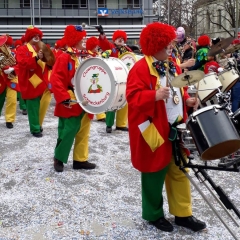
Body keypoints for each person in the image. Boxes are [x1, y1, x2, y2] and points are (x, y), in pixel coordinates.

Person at [126, 22, 206, 233]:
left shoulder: (174, 65)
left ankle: (183, 214)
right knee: (154, 173)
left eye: (170, 45)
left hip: (176, 128)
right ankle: (154, 215)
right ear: (154, 46)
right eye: (166, 46)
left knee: (180, 170)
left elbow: (181, 91)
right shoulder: (140, 68)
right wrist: (154, 95)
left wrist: (187, 100)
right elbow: (132, 98)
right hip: (153, 129)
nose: (170, 48)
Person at [50, 25, 96, 172]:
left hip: (86, 99)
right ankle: (59, 157)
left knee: (84, 130)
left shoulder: (88, 56)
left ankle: (80, 160)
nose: (85, 39)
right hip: (71, 99)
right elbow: (56, 79)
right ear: (74, 39)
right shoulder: (64, 57)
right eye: (82, 37)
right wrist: (63, 97)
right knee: (68, 130)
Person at [96, 26, 129, 133]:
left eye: (122, 38)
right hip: (114, 78)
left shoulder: (128, 50)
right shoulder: (111, 48)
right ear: (114, 40)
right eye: (119, 38)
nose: (121, 40)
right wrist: (102, 34)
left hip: (125, 78)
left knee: (124, 101)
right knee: (112, 102)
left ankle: (121, 124)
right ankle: (109, 124)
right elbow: (104, 43)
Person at [16, 25, 47, 137]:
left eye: (38, 35)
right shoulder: (22, 49)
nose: (37, 37)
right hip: (30, 80)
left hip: (41, 80)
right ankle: (35, 128)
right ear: (29, 37)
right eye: (34, 35)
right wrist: (36, 58)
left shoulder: (40, 48)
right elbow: (23, 63)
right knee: (33, 105)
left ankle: (38, 124)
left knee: (40, 105)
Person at [86, 36, 106, 122]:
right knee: (92, 95)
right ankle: (99, 114)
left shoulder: (98, 54)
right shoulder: (87, 54)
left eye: (97, 46)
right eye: (95, 46)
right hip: (90, 79)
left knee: (98, 95)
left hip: (99, 77)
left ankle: (100, 114)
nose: (96, 47)